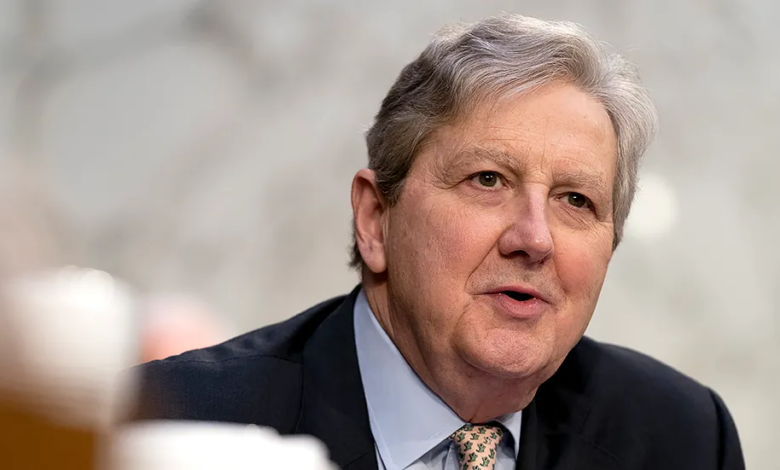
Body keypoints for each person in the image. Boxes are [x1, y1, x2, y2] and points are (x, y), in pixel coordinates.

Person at [133, 15, 745, 470]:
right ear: (375, 219)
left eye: (575, 200)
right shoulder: (171, 425)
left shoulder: (683, 438)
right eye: (488, 180)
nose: (534, 239)